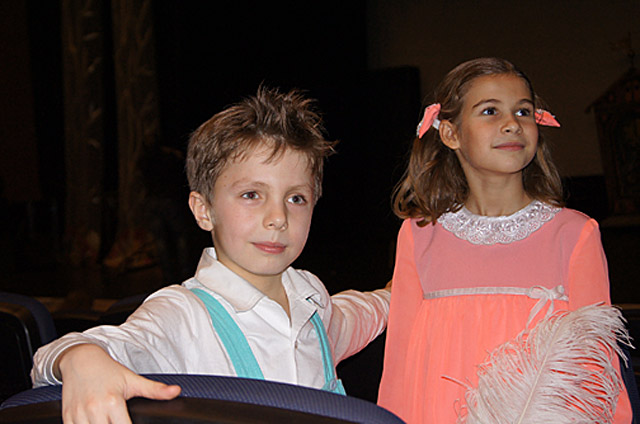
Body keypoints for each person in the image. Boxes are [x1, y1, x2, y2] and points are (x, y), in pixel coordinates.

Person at [31, 87, 391, 423]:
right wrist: (81, 361)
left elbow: (355, 313)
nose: (278, 217)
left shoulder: (312, 301)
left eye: (296, 198)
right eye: (252, 194)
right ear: (203, 211)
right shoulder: (181, 315)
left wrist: (392, 294)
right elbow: (61, 355)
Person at [377, 57, 632, 423]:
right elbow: (399, 365)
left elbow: (597, 366)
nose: (512, 124)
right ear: (450, 133)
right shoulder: (419, 235)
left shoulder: (574, 234)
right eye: (490, 111)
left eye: (523, 111)